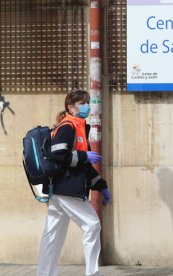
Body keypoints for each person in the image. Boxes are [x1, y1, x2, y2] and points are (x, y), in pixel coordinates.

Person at [37, 89, 111, 276]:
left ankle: (44, 273)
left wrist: (101, 185)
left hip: (61, 187)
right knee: (92, 225)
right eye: (82, 103)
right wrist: (84, 155)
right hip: (66, 187)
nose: (87, 106)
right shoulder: (68, 126)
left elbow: (83, 166)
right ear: (71, 107)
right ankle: (93, 273)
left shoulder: (79, 126)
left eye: (88, 102)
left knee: (53, 234)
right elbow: (57, 153)